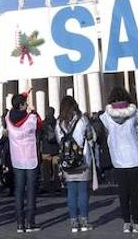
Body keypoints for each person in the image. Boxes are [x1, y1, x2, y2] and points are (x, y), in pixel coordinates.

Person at [99, 86, 138, 233]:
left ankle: (126, 222)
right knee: (134, 191)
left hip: (118, 157)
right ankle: (137, 221)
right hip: (133, 156)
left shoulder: (106, 116)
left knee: (123, 192)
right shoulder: (135, 113)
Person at [6, 93, 43, 233]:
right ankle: (30, 222)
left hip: (17, 158)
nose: (27, 104)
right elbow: (40, 125)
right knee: (31, 191)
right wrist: (33, 111)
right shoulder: (31, 119)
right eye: (25, 103)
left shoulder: (8, 118)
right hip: (30, 157)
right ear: (21, 105)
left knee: (19, 191)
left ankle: (19, 224)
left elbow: (13, 113)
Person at [56, 95, 93, 233]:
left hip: (67, 161)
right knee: (83, 192)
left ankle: (73, 223)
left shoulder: (59, 122)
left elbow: (59, 140)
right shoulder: (83, 119)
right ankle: (84, 221)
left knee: (71, 192)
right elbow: (90, 136)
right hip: (82, 160)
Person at [40, 107, 60, 193]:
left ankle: (46, 186)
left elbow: (39, 135)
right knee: (56, 169)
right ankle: (57, 186)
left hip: (46, 149)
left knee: (46, 170)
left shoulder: (43, 123)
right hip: (55, 148)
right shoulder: (57, 123)